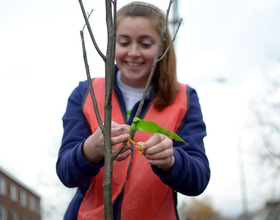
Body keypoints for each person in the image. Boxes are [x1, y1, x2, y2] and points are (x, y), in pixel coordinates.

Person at [56, 1, 210, 220]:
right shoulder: (86, 92)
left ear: (162, 46)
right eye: (124, 42)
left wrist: (172, 161)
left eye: (146, 44)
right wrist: (90, 149)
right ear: (112, 42)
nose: (133, 53)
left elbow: (199, 180)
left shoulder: (184, 98)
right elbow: (66, 173)